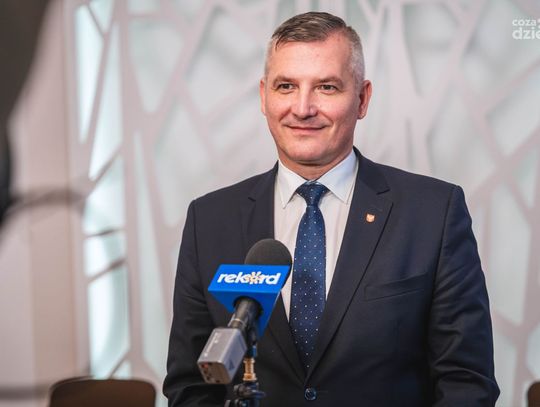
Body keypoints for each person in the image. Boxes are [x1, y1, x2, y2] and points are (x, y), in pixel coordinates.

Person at [163, 11, 499, 406]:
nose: (303, 108)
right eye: (286, 86)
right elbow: (191, 386)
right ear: (264, 96)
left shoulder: (433, 214)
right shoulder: (209, 221)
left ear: (362, 99)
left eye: (326, 87)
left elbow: (465, 382)